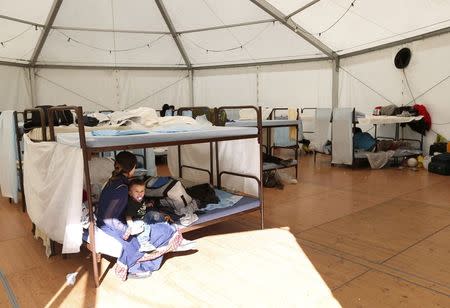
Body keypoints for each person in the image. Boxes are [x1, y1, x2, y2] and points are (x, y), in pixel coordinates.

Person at [96, 151, 195, 280]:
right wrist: (127, 230)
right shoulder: (121, 188)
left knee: (153, 218)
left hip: (109, 221)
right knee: (159, 231)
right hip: (110, 226)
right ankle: (137, 268)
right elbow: (110, 219)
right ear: (132, 168)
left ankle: (176, 240)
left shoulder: (113, 181)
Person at [126, 178, 166, 252]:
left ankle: (165, 226)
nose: (140, 193)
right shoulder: (131, 204)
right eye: (136, 191)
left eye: (142, 191)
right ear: (130, 193)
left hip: (144, 218)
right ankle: (144, 244)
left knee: (155, 214)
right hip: (136, 222)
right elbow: (128, 217)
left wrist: (147, 205)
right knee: (143, 226)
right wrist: (131, 226)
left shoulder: (141, 200)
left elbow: (142, 207)